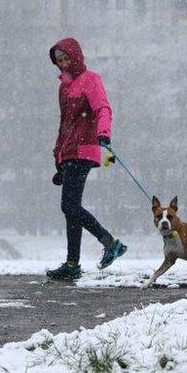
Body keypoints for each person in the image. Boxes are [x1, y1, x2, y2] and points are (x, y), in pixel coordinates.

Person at [46, 37, 127, 281]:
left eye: (66, 58)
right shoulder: (64, 87)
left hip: (85, 149)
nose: (63, 64)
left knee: (69, 206)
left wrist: (104, 133)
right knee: (71, 210)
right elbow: (65, 125)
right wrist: (58, 157)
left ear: (76, 56)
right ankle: (72, 264)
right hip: (69, 151)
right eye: (59, 61)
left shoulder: (91, 80)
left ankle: (110, 242)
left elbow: (103, 108)